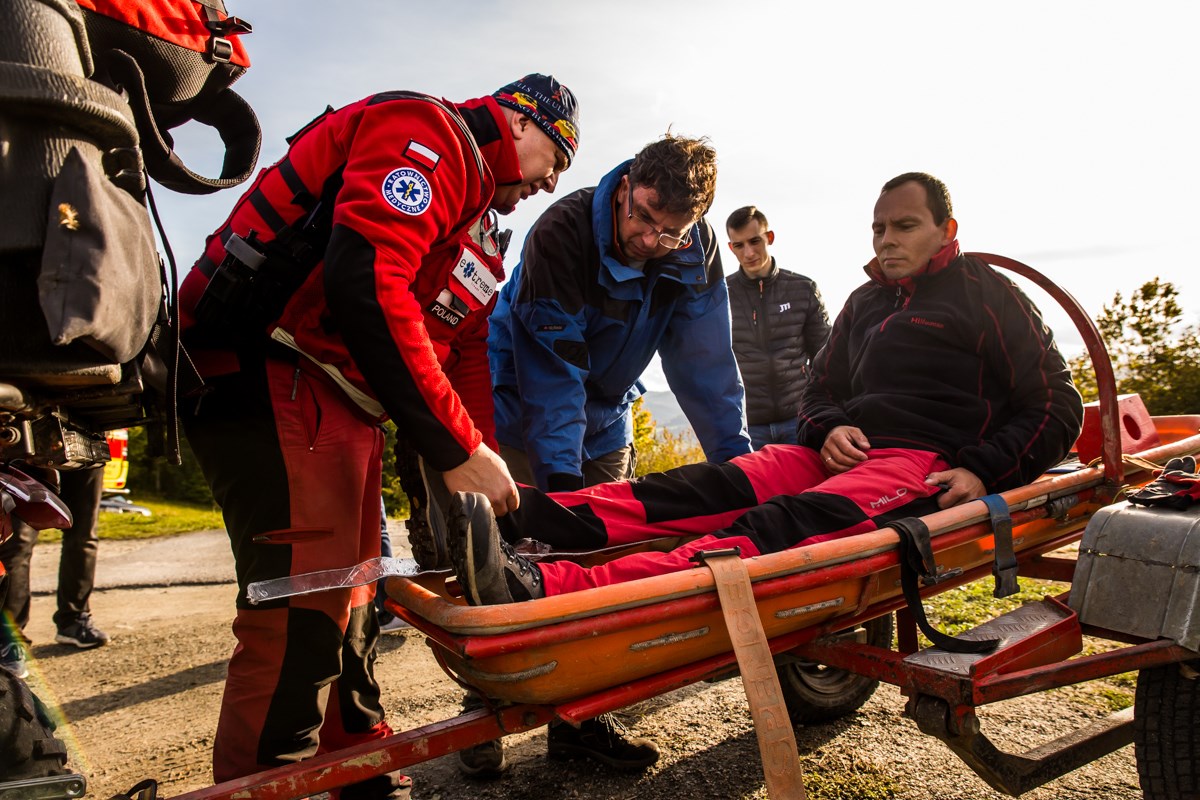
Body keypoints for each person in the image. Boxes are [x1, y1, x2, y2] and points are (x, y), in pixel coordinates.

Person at [175, 74, 580, 799]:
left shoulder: (478, 226)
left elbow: (466, 353)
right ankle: (263, 785)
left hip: (341, 396)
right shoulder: (426, 136)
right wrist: (456, 447)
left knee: (359, 590)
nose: (552, 182)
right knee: (304, 605)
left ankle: (356, 762)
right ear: (522, 122)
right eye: (558, 158)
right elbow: (366, 276)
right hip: (273, 365)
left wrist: (479, 457)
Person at [447, 172, 1085, 609]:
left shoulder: (988, 294)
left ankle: (550, 587)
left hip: (919, 466)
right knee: (703, 486)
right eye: (878, 228)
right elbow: (819, 391)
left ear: (946, 228)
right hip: (833, 452)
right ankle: (519, 518)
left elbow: (1056, 404)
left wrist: (982, 469)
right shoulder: (866, 303)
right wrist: (828, 427)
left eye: (904, 226)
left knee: (770, 528)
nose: (887, 240)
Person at [487, 133, 752, 493]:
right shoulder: (561, 233)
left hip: (608, 418)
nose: (649, 240)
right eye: (643, 216)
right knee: (538, 519)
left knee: (610, 523)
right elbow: (553, 374)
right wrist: (562, 480)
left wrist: (738, 468)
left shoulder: (696, 247)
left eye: (671, 233)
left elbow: (707, 364)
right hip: (522, 409)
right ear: (626, 187)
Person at [725, 206, 831, 449]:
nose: (749, 253)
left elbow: (826, 356)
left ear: (769, 237)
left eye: (755, 241)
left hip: (800, 418)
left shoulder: (803, 289)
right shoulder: (722, 295)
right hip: (747, 426)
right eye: (739, 245)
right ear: (731, 248)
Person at [1, 467, 109, 680]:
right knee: (18, 542)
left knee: (84, 534)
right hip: (25, 452)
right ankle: (9, 637)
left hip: (84, 452)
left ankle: (74, 619)